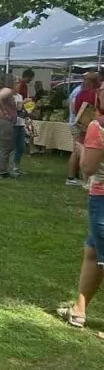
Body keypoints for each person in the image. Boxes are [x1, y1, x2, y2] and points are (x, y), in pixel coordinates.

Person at [58, 115, 104, 329]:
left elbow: (87, 168)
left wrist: (82, 147)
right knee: (92, 251)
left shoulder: (100, 125)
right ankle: (79, 310)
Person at [67, 73, 101, 186]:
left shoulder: (79, 93)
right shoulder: (93, 94)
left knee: (76, 151)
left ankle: (72, 177)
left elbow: (73, 108)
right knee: (82, 152)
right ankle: (84, 179)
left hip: (79, 124)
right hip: (87, 126)